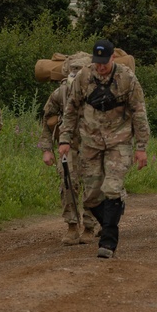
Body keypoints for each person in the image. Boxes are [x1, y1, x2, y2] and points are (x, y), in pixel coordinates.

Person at [58, 40, 150, 259]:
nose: (100, 67)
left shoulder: (127, 78)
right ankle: (115, 209)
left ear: (112, 59)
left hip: (119, 141)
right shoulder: (83, 77)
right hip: (90, 142)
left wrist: (142, 147)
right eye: (97, 62)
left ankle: (108, 240)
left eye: (104, 63)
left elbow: (139, 112)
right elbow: (70, 109)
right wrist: (64, 139)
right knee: (91, 197)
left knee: (111, 188)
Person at [37, 51, 97, 245]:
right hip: (68, 145)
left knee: (91, 186)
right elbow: (47, 121)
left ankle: (89, 226)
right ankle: (72, 226)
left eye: (79, 71)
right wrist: (47, 150)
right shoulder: (60, 93)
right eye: (73, 70)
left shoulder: (98, 91)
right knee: (67, 183)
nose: (75, 74)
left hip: (92, 146)